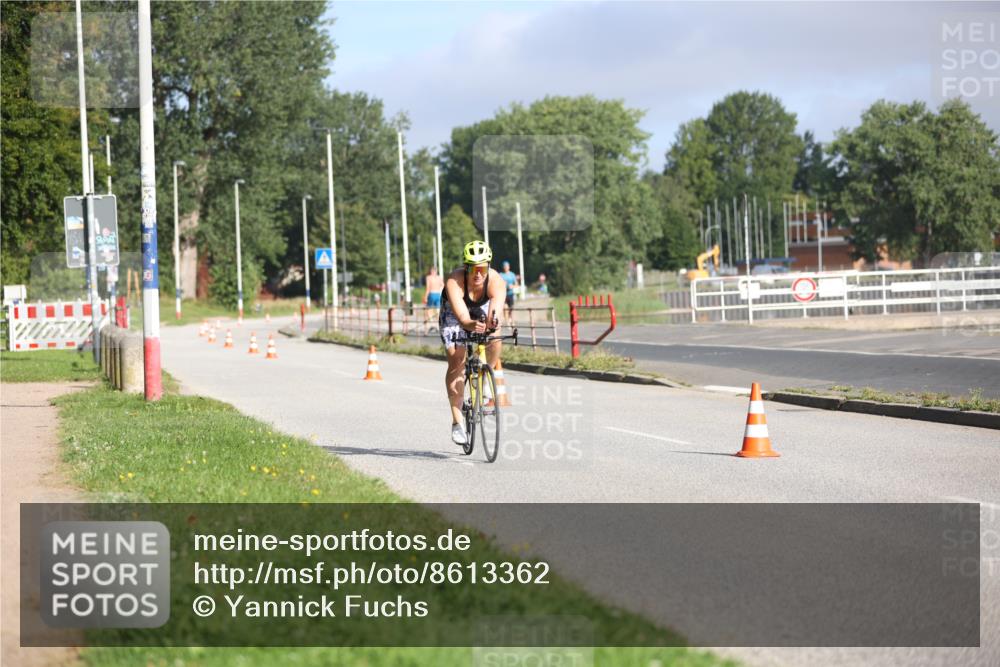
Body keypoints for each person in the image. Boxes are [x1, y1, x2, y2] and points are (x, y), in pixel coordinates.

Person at [439, 240, 506, 446]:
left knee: (495, 336)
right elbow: (462, 316)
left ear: (488, 267)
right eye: (472, 268)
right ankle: (457, 423)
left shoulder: (496, 281)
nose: (477, 274)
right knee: (457, 358)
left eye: (482, 268)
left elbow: (496, 311)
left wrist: (492, 324)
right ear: (465, 267)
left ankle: (485, 376)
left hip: (481, 307)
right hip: (454, 313)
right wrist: (469, 324)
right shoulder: (455, 281)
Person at [423, 265, 444, 331]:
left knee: (429, 309)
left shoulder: (429, 277)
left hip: (431, 294)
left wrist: (425, 297)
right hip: (438, 294)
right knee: (438, 310)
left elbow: (428, 288)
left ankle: (432, 324)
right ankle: (438, 325)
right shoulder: (439, 278)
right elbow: (443, 285)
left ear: (431, 271)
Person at [498, 260, 518, 325]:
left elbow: (516, 284)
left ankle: (511, 319)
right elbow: (497, 284)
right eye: (505, 266)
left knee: (511, 308)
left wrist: (512, 286)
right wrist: (502, 284)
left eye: (507, 266)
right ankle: (507, 321)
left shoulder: (512, 274)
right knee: (505, 308)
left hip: (510, 294)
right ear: (503, 267)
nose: (506, 267)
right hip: (503, 294)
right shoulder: (500, 275)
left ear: (509, 267)